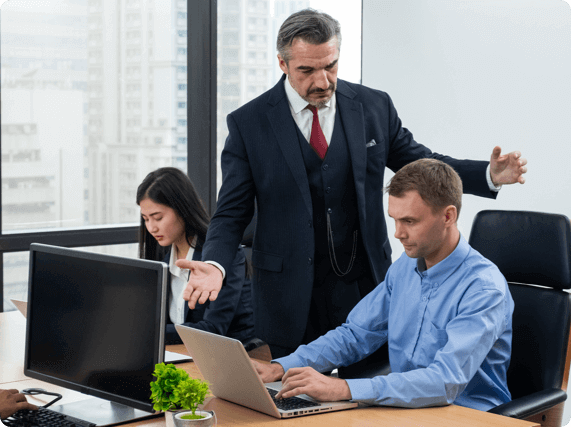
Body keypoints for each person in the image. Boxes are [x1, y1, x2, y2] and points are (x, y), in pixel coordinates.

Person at [178, 9, 527, 358]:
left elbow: (423, 163)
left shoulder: (374, 106)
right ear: (282, 64)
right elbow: (230, 213)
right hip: (288, 297)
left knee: (366, 401)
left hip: (366, 287)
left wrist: (488, 174)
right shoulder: (248, 124)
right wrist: (216, 264)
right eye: (307, 70)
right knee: (292, 396)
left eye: (330, 66)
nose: (322, 81)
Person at [254, 159, 514, 411]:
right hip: (405, 409)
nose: (398, 233)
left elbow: (444, 381)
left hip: (466, 416)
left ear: (448, 216)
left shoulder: (484, 289)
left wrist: (344, 389)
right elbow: (355, 335)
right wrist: (281, 367)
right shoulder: (405, 267)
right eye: (395, 219)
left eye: (409, 221)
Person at [137, 167, 255, 345]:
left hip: (230, 356)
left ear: (182, 209)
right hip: (182, 353)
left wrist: (146, 331)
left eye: (158, 217)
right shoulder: (163, 261)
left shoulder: (221, 259)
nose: (152, 227)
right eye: (146, 219)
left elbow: (213, 330)